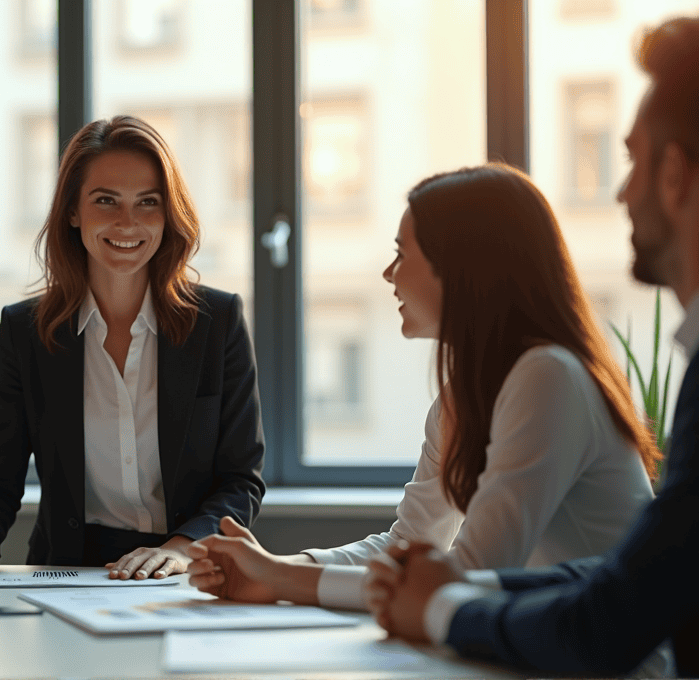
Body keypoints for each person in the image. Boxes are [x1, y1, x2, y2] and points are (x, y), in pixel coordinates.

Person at [364, 16, 699, 677]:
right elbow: (603, 576)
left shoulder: (548, 375)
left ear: (674, 174)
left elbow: (609, 614)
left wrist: (443, 605)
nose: (619, 192)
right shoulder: (468, 391)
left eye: (630, 160)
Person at [184, 162, 661, 613]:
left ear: (460, 267)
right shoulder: (462, 398)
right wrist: (282, 567)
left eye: (402, 254)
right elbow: (410, 546)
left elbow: (467, 575)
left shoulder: (550, 377)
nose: (389, 275)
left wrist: (281, 580)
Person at [0, 115, 266, 583]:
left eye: (148, 203)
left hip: (188, 568)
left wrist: (180, 549)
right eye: (106, 201)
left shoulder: (217, 324)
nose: (128, 222)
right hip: (68, 573)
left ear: (167, 214)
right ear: (73, 212)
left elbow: (241, 480)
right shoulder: (26, 331)